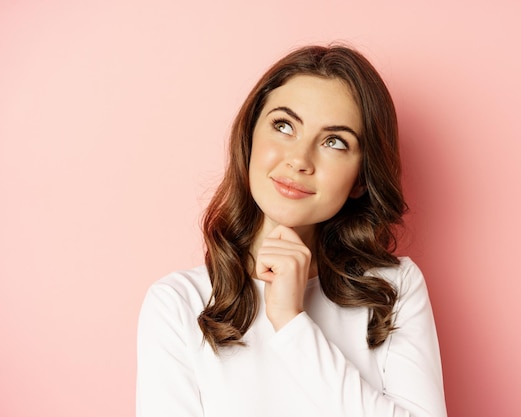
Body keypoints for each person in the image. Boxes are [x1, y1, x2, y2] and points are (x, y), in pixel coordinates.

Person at [136, 44, 447, 417]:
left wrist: (291, 322)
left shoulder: (394, 289)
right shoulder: (178, 303)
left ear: (361, 179)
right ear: (250, 138)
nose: (299, 160)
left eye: (335, 141)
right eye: (284, 126)